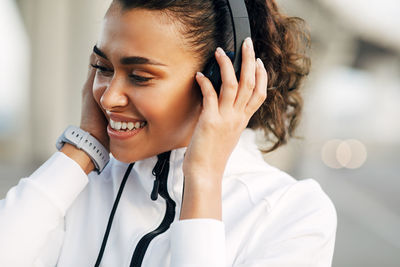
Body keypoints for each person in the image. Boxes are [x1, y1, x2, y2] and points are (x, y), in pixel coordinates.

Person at [0, 0, 337, 266]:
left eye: (140, 76)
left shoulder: (292, 213)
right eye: (103, 68)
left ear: (220, 81)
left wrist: (202, 179)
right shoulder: (77, 183)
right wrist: (83, 146)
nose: (108, 96)